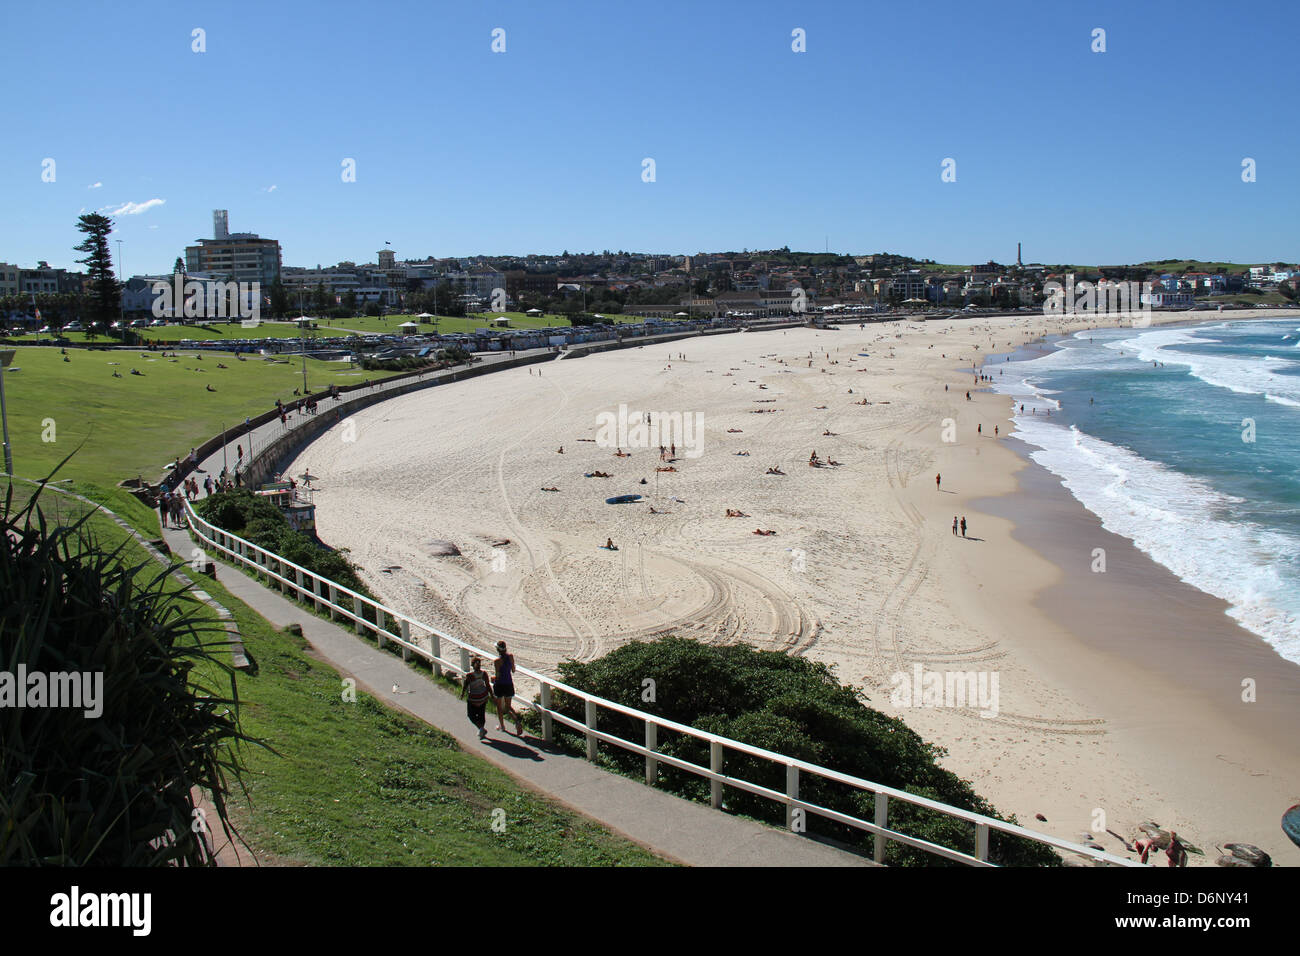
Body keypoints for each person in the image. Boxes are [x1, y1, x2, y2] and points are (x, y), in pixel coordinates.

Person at [493, 642, 523, 735]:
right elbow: (513, 670)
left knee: (499, 707)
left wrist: (493, 679)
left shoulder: (497, 661)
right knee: (508, 706)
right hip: (509, 684)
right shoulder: (510, 657)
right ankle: (517, 722)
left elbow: (497, 675)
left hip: (500, 685)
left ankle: (502, 726)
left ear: (498, 650)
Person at [461, 658, 492, 739]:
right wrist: (491, 695)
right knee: (481, 715)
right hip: (483, 696)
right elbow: (488, 685)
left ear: (472, 665)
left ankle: (481, 729)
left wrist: (462, 694)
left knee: (471, 715)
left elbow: (465, 686)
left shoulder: (470, 676)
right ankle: (481, 730)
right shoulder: (484, 674)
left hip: (474, 698)